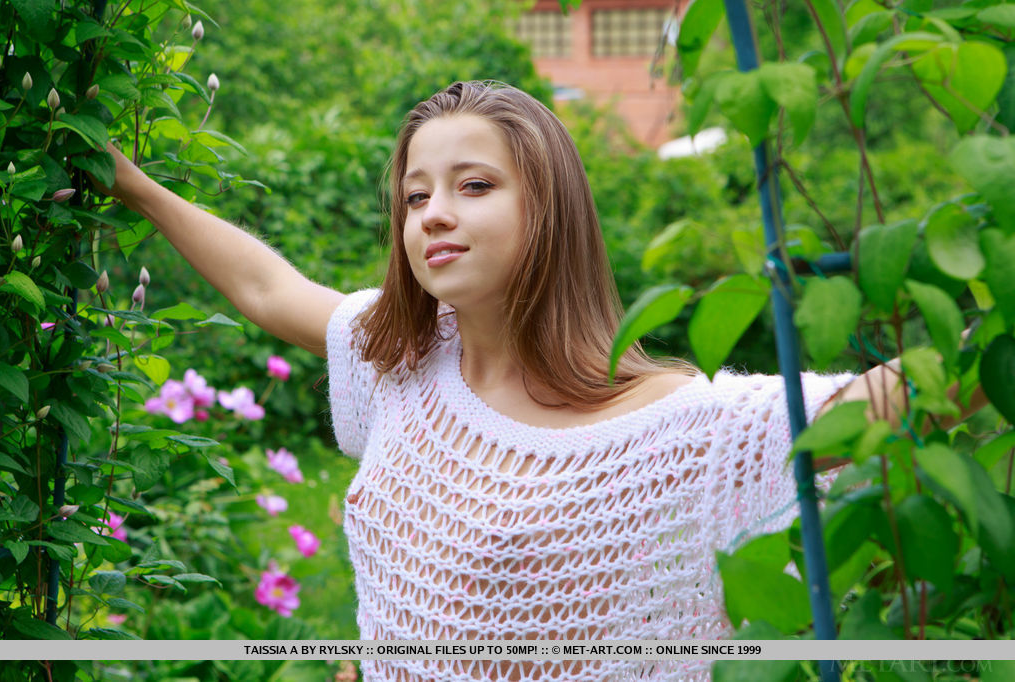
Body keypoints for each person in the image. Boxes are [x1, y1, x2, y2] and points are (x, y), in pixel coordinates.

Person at [105, 80, 914, 681]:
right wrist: (135, 188)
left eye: (475, 186)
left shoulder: (679, 428)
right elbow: (266, 291)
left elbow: (897, 400)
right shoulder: (403, 361)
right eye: (415, 196)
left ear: (550, 209)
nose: (433, 215)